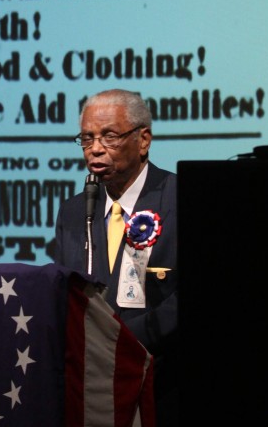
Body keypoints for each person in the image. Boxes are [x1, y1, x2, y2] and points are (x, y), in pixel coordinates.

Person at [55, 88, 178, 425]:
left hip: (162, 383)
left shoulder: (179, 199)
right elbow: (63, 291)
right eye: (87, 138)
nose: (95, 148)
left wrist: (123, 342)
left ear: (143, 140)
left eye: (109, 136)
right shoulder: (73, 211)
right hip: (92, 388)